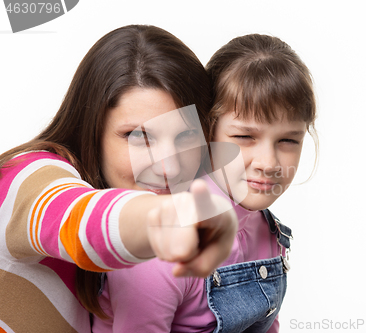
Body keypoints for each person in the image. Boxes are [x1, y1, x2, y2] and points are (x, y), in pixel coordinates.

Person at [0, 25, 238, 333]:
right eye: (138, 136)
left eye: (186, 135)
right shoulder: (28, 177)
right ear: (92, 129)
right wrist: (169, 217)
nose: (170, 169)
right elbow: (82, 219)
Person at [93, 33, 318, 333]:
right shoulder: (163, 244)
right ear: (206, 132)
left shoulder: (268, 230)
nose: (268, 162)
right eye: (244, 137)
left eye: (288, 140)